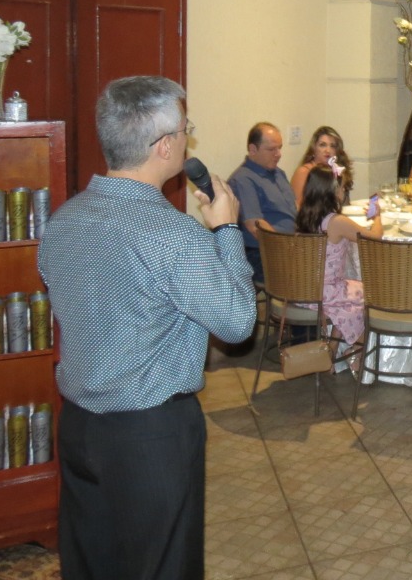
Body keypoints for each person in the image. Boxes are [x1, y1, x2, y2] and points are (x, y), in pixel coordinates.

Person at [38, 76, 257, 580]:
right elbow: (238, 322)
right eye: (184, 130)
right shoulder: (174, 234)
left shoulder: (63, 220)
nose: (187, 138)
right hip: (149, 438)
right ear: (164, 147)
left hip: (79, 427)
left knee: (92, 566)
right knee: (161, 568)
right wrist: (225, 230)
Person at [294, 162, 375, 355]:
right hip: (326, 292)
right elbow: (374, 239)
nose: (344, 190)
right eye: (342, 187)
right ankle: (358, 351)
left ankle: (333, 350)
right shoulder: (337, 222)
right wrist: (377, 216)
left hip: (302, 289)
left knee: (352, 298)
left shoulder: (303, 217)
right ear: (333, 192)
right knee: (372, 293)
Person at [228, 122, 297, 282]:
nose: (278, 154)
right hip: (264, 253)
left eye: (280, 148)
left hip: (292, 245)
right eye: (272, 149)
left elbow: (294, 208)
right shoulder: (243, 179)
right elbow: (255, 226)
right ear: (253, 149)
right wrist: (288, 248)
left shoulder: (279, 173)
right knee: (316, 273)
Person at [289, 125, 353, 206]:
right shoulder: (304, 172)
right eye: (322, 145)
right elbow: (296, 207)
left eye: (332, 146)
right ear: (314, 149)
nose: (328, 150)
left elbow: (344, 204)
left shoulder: (337, 171)